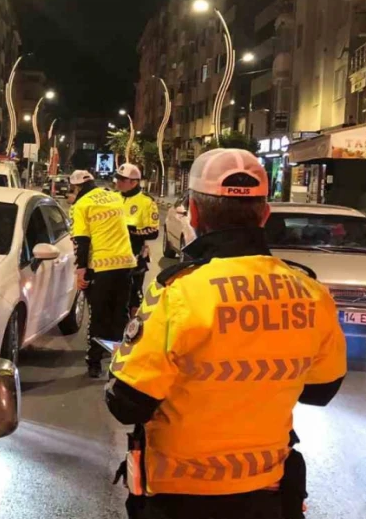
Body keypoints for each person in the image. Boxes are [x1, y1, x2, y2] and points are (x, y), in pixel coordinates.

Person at [104, 148, 347, 519]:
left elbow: (125, 402)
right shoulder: (310, 293)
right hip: (268, 494)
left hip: (179, 496)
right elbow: (321, 390)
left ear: (194, 213)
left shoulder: (178, 292)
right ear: (264, 214)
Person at [68, 169, 137, 378]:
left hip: (101, 266)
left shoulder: (82, 205)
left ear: (77, 187)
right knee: (119, 315)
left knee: (98, 316)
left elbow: (81, 240)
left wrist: (81, 272)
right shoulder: (114, 197)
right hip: (125, 264)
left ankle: (94, 363)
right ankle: (117, 363)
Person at [115, 163, 160, 314]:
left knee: (134, 293)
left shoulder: (147, 202)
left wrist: (131, 231)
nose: (118, 183)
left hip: (136, 254)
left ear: (134, 182)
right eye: (117, 179)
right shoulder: (114, 198)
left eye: (122, 180)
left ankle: (136, 325)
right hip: (113, 255)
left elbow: (154, 231)